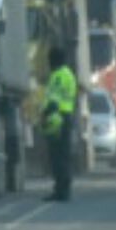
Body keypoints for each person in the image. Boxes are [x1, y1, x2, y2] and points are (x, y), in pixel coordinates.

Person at [41, 45, 78, 203]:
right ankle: (65, 188)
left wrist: (45, 113)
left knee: (57, 156)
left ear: (53, 60)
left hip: (57, 118)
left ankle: (60, 190)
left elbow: (54, 100)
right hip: (67, 115)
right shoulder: (69, 74)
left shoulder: (57, 76)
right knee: (64, 154)